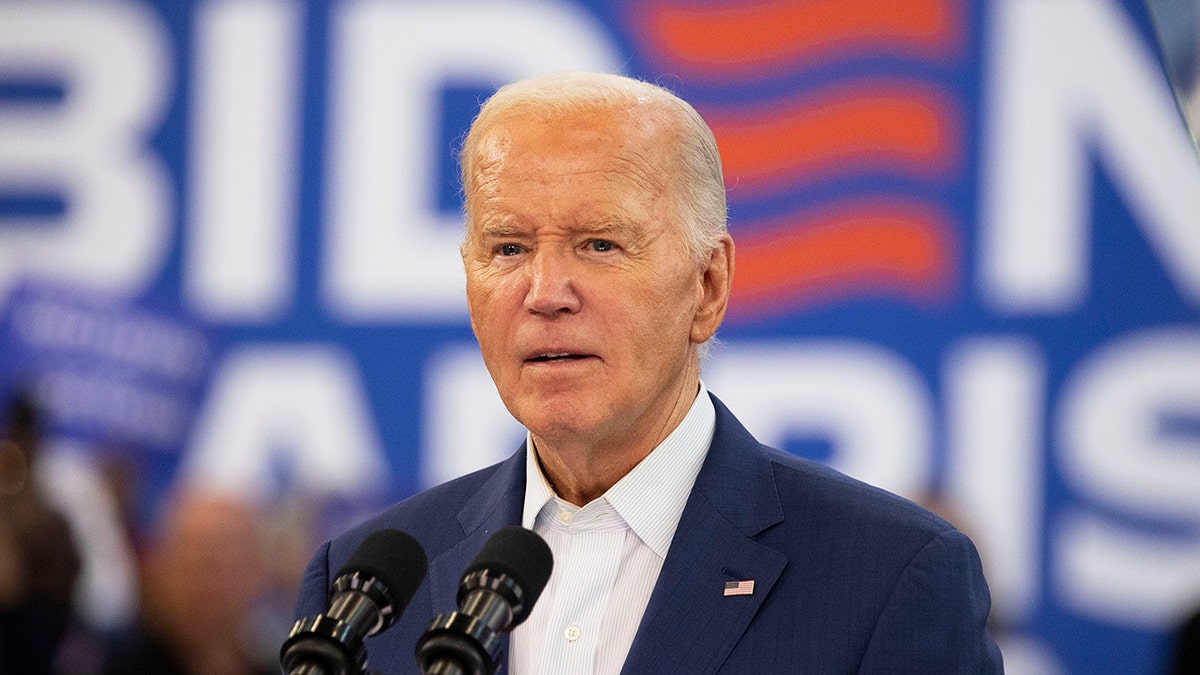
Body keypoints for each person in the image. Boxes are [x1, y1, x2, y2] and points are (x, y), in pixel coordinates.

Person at [294, 71, 1003, 674]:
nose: (544, 291)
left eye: (599, 243)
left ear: (708, 286)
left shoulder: (888, 577)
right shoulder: (363, 587)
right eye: (508, 247)